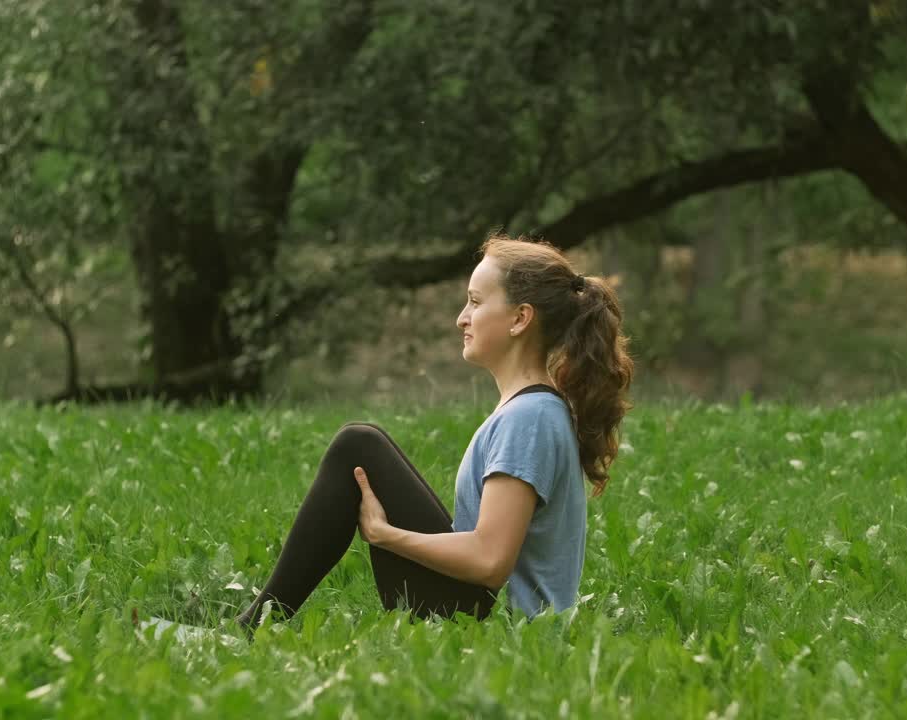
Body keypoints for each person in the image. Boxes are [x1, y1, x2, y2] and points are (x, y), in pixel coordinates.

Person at [231, 233, 634, 631]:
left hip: (498, 632)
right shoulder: (532, 411)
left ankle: (249, 630)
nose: (462, 317)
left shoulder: (530, 418)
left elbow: (490, 561)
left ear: (520, 318)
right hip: (483, 616)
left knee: (358, 445)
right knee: (362, 442)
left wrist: (386, 536)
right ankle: (256, 623)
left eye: (475, 302)